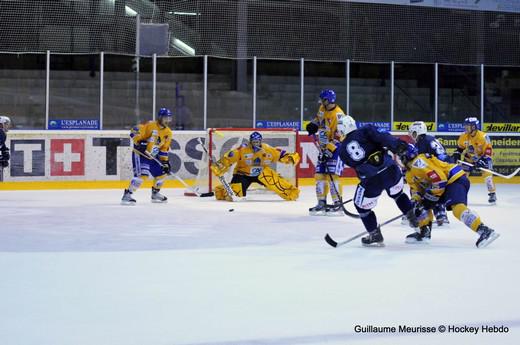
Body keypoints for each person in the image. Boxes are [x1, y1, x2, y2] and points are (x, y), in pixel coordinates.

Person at [336, 115, 418, 247]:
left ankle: (374, 234)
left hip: (371, 180)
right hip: (390, 170)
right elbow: (384, 138)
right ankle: (412, 216)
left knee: (361, 206)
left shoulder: (342, 150)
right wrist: (398, 146)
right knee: (398, 194)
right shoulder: (366, 129)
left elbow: (354, 164)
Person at [399, 144, 499, 248]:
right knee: (420, 204)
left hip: (454, 179)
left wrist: (431, 197)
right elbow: (417, 191)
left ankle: (484, 230)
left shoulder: (418, 162)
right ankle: (424, 232)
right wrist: (415, 202)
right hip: (443, 185)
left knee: (457, 208)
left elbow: (440, 179)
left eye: (400, 156)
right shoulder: (409, 173)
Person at [210, 131, 300, 201]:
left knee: (284, 189)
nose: (255, 144)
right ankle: (222, 190)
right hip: (242, 174)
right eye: (254, 142)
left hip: (262, 174)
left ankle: (290, 192)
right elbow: (229, 158)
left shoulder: (267, 149)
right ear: (250, 141)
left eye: (257, 142)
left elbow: (282, 154)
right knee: (237, 194)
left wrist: (290, 158)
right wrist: (219, 166)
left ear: (260, 141)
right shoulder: (242, 149)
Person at [306, 89, 347, 216]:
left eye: (322, 99)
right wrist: (313, 124)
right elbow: (319, 120)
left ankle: (337, 205)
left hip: (336, 148)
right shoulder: (322, 108)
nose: (320, 101)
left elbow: (339, 136)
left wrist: (329, 150)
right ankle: (321, 203)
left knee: (333, 176)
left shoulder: (338, 115)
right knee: (320, 175)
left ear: (328, 100)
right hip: (323, 147)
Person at [121, 108, 173, 205]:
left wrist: (165, 162)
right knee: (142, 176)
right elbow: (134, 130)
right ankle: (127, 195)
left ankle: (155, 193)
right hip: (140, 155)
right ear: (160, 118)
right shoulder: (150, 125)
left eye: (169, 118)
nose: (167, 120)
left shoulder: (168, 133)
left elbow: (164, 149)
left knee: (162, 174)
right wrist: (139, 141)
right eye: (165, 118)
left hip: (152, 157)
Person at [408, 121, 450, 226]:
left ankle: (439, 213)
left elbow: (440, 156)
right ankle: (439, 214)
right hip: (436, 170)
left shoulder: (424, 141)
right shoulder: (426, 140)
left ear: (417, 132)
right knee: (430, 188)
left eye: (413, 133)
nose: (411, 135)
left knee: (432, 189)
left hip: (438, 171)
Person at [452, 117, 496, 204]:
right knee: (462, 177)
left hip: (483, 157)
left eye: (467, 126)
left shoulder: (483, 136)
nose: (465, 128)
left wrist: (482, 160)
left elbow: (488, 151)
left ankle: (492, 193)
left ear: (474, 127)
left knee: (488, 176)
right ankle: (461, 194)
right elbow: (460, 148)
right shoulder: (463, 136)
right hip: (469, 158)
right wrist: (457, 154)